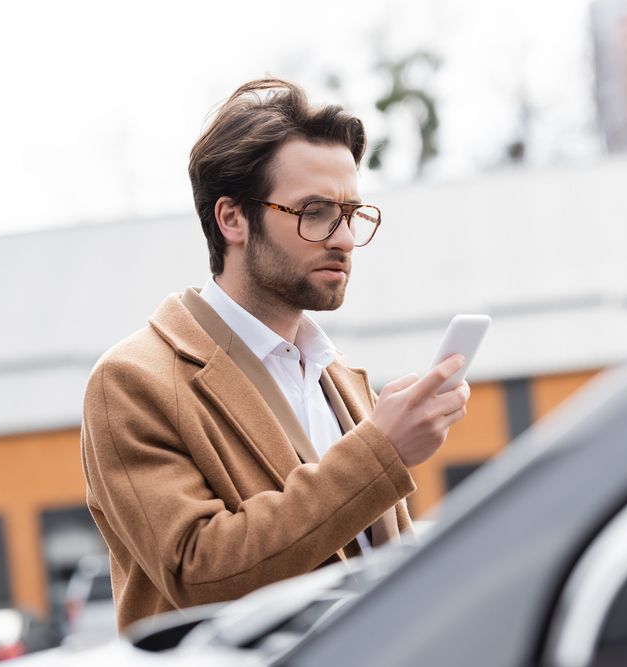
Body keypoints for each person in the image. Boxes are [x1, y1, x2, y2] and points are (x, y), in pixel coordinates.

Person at [80, 78, 471, 631]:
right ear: (232, 219)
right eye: (314, 212)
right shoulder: (132, 382)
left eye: (352, 213)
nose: (343, 238)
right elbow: (198, 573)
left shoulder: (343, 381)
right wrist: (381, 451)